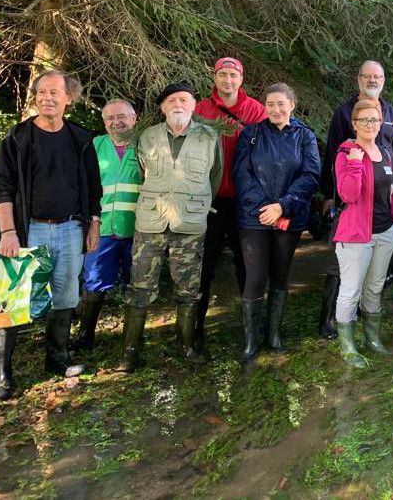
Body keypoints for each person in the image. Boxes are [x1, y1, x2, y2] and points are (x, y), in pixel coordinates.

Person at [0, 69, 102, 399]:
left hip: (70, 228)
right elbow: (1, 187)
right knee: (13, 298)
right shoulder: (18, 138)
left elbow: (94, 187)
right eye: (41, 92)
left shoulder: (81, 139)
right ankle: (1, 374)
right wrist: (8, 231)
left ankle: (57, 357)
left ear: (70, 98)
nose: (47, 98)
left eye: (54, 92)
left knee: (66, 294)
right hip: (28, 229)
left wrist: (93, 224)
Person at [117, 82, 223, 373]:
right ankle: (130, 352)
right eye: (172, 100)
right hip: (150, 222)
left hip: (190, 224)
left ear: (194, 105)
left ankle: (187, 347)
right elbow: (142, 173)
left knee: (188, 290)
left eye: (184, 99)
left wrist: (195, 203)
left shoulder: (209, 136)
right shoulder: (147, 137)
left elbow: (214, 177)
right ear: (162, 107)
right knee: (139, 287)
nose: (178, 104)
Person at [232, 83, 320, 364]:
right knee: (255, 277)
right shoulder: (252, 134)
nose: (276, 109)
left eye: (281, 103)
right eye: (270, 104)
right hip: (254, 217)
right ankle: (250, 342)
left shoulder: (304, 136)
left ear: (292, 105)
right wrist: (265, 208)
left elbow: (311, 174)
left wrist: (283, 205)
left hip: (290, 216)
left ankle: (273, 336)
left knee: (280, 276)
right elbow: (242, 174)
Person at [318, 60, 393, 339]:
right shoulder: (343, 113)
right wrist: (331, 197)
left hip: (383, 203)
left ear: (384, 80)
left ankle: (367, 324)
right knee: (338, 267)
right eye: (367, 76)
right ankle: (329, 320)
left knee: (374, 273)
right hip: (351, 203)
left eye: (377, 76)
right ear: (358, 79)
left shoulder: (392, 113)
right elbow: (333, 154)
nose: (372, 80)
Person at [194, 57, 267, 352]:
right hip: (209, 201)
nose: (227, 81)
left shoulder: (255, 110)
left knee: (247, 265)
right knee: (204, 266)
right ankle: (195, 332)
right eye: (222, 75)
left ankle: (252, 332)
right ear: (214, 77)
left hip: (246, 200)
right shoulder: (200, 110)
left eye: (233, 75)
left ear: (241, 78)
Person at [333, 99, 393, 368]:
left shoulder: (385, 152)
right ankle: (348, 347)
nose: (370, 125)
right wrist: (354, 161)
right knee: (351, 292)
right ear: (354, 124)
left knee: (374, 289)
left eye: (374, 120)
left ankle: (371, 339)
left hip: (386, 231)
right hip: (356, 235)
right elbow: (348, 194)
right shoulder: (345, 153)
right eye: (364, 120)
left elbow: (391, 188)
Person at [72, 99, 140, 351]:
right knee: (94, 279)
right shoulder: (95, 146)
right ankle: (86, 334)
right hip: (101, 229)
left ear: (134, 118)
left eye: (121, 116)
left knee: (136, 283)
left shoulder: (144, 146)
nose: (116, 122)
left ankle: (132, 339)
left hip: (137, 229)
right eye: (110, 118)